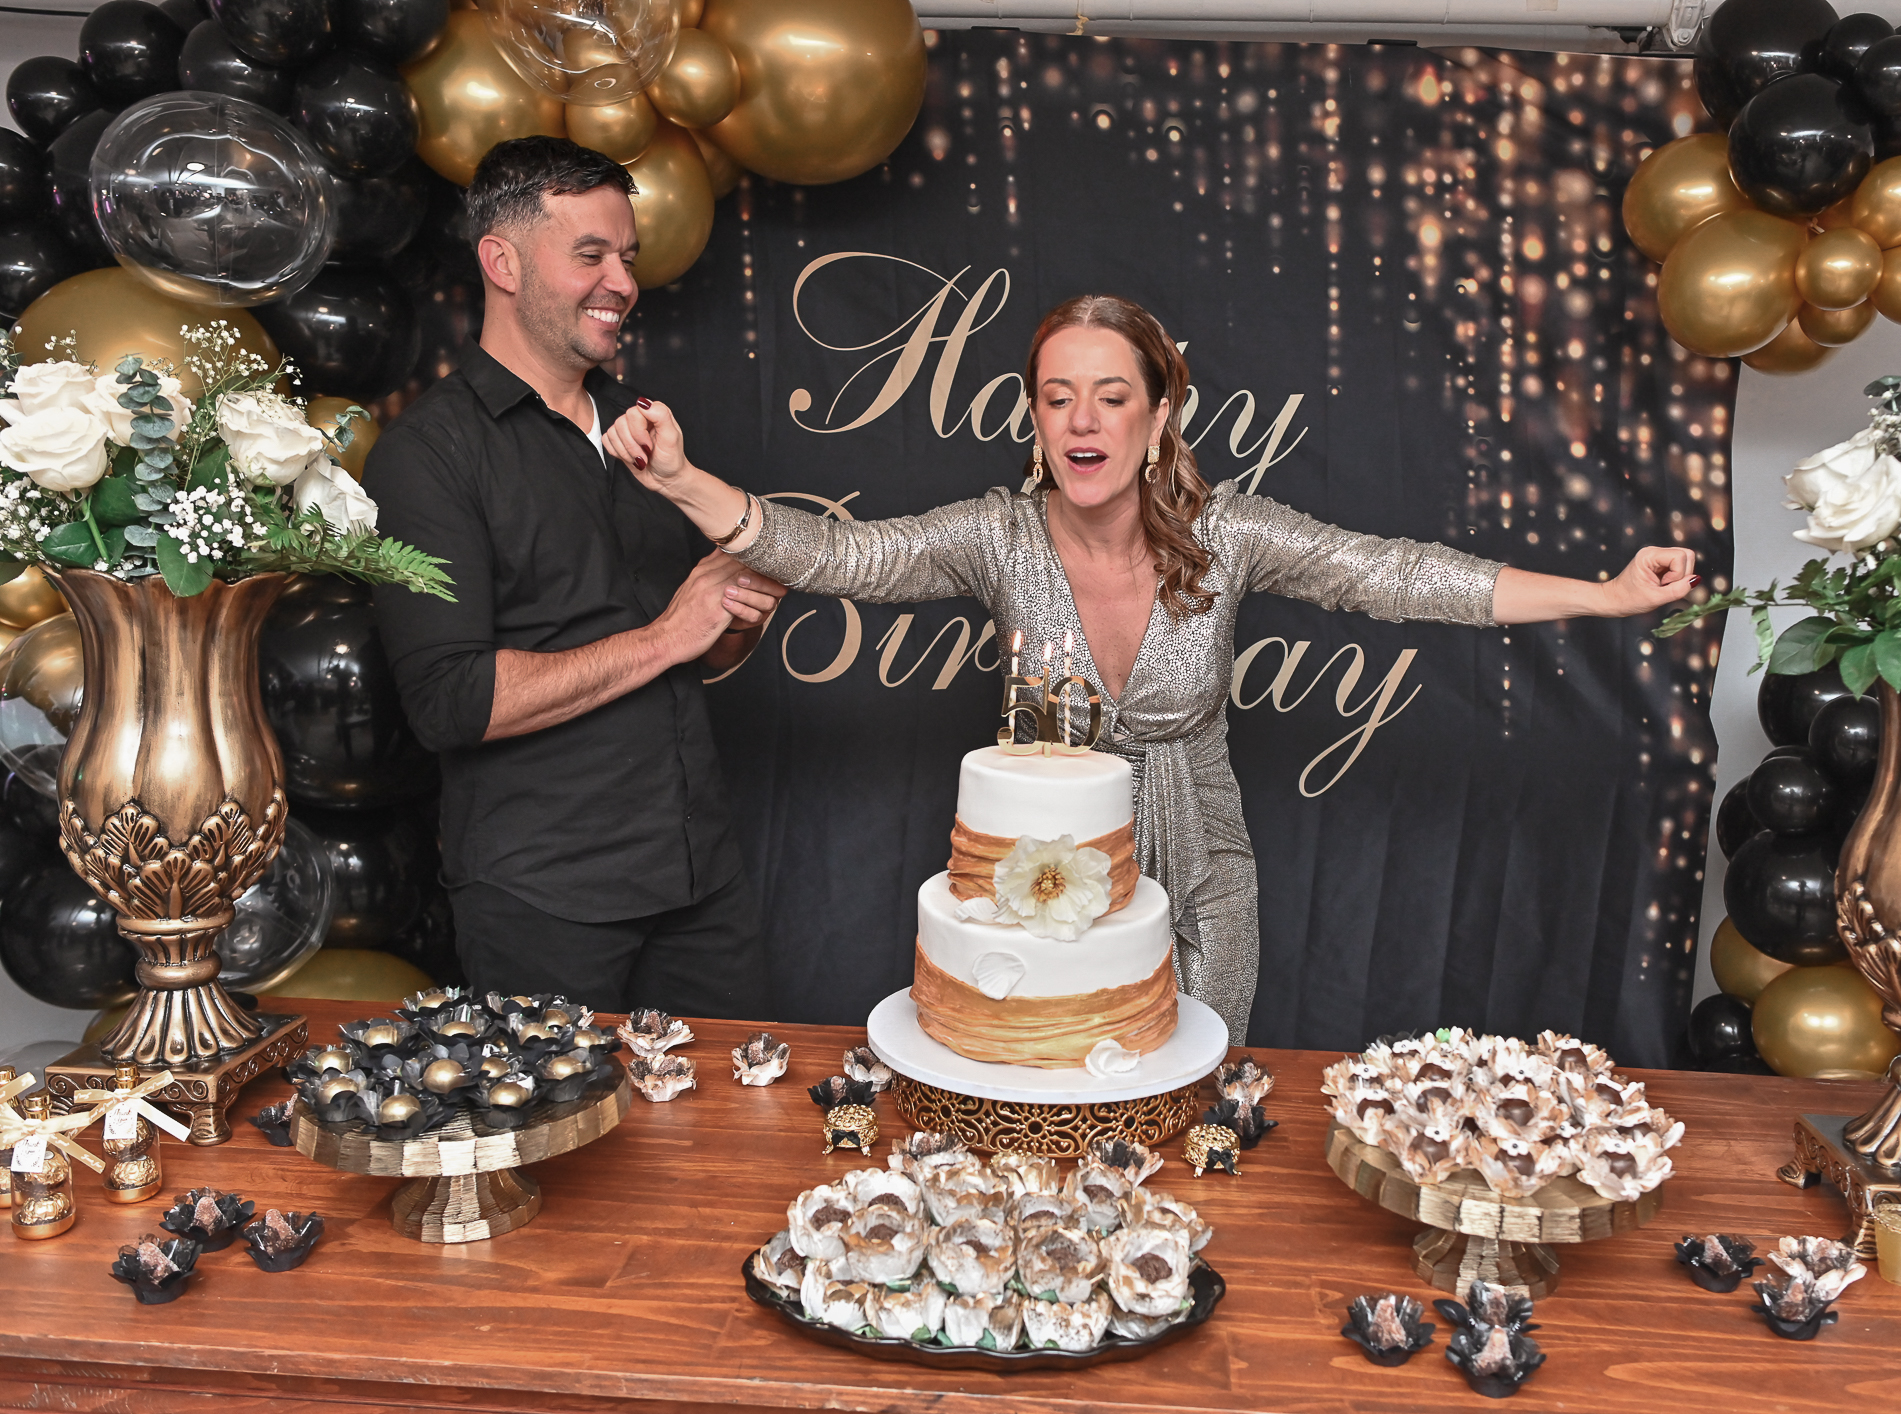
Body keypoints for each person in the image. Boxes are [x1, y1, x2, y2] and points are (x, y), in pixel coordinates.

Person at [604, 295, 1697, 1043]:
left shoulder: (1231, 536)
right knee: (1044, 1087)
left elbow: (1396, 574)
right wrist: (686, 480)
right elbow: (845, 556)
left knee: (1190, 1099)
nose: (1082, 420)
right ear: (1035, 416)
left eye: (1111, 394)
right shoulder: (994, 534)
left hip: (1205, 866)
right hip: (1040, 878)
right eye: (1056, 395)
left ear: (1159, 412)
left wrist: (1603, 595)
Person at [365, 136, 786, 1017]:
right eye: (590, 254)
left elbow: (695, 650)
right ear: (502, 262)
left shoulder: (646, 429)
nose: (621, 282)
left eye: (627, 257)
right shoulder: (428, 454)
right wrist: (668, 635)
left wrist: (733, 620)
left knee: (730, 1110)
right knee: (562, 1115)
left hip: (699, 880)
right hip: (544, 901)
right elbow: (451, 701)